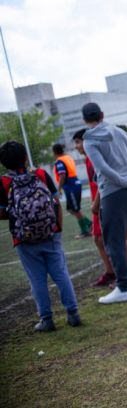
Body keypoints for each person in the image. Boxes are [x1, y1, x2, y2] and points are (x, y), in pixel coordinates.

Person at [0, 140, 81, 332]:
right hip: (50, 233)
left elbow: (2, 212)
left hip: (23, 238)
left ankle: (46, 319)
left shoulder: (3, 183)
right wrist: (57, 227)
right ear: (26, 157)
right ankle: (73, 313)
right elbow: (55, 201)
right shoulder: (41, 174)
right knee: (60, 273)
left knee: (36, 279)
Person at [81, 102, 127, 304]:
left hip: (114, 193)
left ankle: (124, 286)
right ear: (102, 114)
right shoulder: (120, 132)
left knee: (114, 241)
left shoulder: (89, 139)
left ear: (85, 120)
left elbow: (103, 169)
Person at [72, 129, 115, 287]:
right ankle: (111, 271)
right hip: (100, 203)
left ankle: (119, 273)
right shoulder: (88, 159)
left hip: (103, 203)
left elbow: (102, 181)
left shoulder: (93, 158)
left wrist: (96, 203)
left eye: (78, 142)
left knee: (105, 239)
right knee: (98, 239)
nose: (76, 146)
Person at [51, 143, 91, 238]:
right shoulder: (68, 157)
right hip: (73, 185)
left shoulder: (59, 161)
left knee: (76, 210)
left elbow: (62, 175)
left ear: (55, 152)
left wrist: (58, 189)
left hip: (71, 187)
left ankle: (85, 231)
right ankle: (89, 224)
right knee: (71, 209)